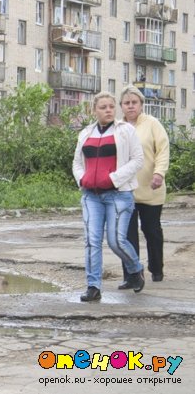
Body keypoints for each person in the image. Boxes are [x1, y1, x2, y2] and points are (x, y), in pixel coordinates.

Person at [72, 91, 145, 302]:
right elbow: (77, 163)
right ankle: (93, 286)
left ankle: (135, 268)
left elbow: (137, 160)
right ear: (94, 110)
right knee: (92, 242)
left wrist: (113, 179)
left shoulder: (126, 131)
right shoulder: (86, 133)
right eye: (103, 107)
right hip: (91, 196)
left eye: (111, 107)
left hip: (118, 195)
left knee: (115, 241)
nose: (108, 110)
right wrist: (82, 179)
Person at [118, 85, 170, 287]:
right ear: (121, 106)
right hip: (125, 191)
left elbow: (162, 151)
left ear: (141, 105)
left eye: (134, 102)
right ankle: (131, 274)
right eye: (126, 103)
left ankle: (156, 268)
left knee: (151, 230)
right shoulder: (117, 127)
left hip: (150, 187)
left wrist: (159, 173)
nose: (130, 106)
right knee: (126, 236)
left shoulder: (152, 124)